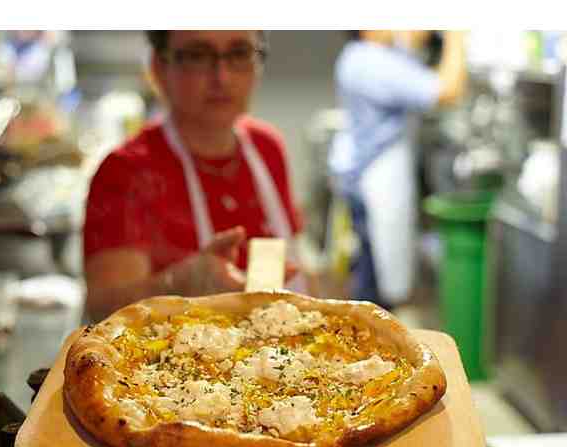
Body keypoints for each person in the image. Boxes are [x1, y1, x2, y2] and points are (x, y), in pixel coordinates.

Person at [83, 31, 306, 322]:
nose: (222, 77)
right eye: (197, 56)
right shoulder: (125, 172)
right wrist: (178, 283)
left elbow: (297, 265)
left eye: (239, 53)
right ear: (158, 68)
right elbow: (104, 311)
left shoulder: (267, 147)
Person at [328, 30, 467, 308]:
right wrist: (456, 34)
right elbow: (447, 91)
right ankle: (371, 329)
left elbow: (414, 45)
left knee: (370, 265)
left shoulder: (365, 56)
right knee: (375, 281)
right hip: (376, 177)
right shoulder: (371, 61)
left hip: (369, 174)